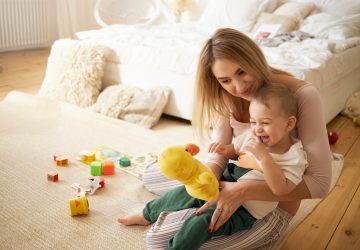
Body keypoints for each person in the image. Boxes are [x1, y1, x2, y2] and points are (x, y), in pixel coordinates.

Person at [142, 28, 332, 249]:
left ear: (254, 59)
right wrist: (210, 175)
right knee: (151, 175)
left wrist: (241, 192)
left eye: (242, 72)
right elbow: (219, 153)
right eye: (225, 80)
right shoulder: (226, 93)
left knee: (157, 240)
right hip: (231, 179)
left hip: (264, 209)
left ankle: (189, 213)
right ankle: (190, 207)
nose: (239, 87)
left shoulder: (300, 95)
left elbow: (320, 184)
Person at [118, 84, 308, 249]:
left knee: (202, 222)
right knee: (184, 192)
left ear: (289, 124)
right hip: (221, 183)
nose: (257, 129)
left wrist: (264, 158)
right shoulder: (253, 135)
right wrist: (225, 150)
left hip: (244, 210)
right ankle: (146, 214)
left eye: (265, 123)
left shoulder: (294, 155)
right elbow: (237, 150)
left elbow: (282, 189)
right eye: (253, 122)